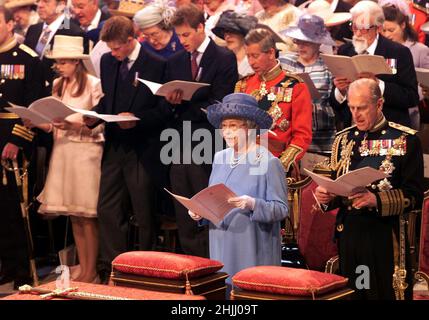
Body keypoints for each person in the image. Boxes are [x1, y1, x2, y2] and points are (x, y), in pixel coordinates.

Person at [314, 78, 424, 300]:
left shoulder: (406, 139)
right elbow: (338, 187)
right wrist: (326, 196)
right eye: (352, 108)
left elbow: (414, 196)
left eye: (362, 108)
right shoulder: (343, 139)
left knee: (380, 294)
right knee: (356, 293)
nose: (356, 114)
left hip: (384, 235)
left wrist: (377, 200)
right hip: (350, 235)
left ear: (379, 104)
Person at [83, 16, 166, 282]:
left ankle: (148, 269)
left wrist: (138, 120)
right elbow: (109, 100)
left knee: (143, 210)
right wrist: (94, 115)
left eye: (117, 47)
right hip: (115, 144)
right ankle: (112, 268)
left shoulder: (156, 64)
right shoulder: (108, 61)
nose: (113, 53)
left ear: (132, 40)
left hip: (142, 147)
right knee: (107, 207)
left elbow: (164, 112)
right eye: (110, 48)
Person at [23, 35, 103, 283]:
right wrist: (39, 123)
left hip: (85, 154)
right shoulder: (58, 84)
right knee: (74, 216)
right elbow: (55, 125)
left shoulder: (93, 84)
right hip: (64, 151)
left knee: (86, 215)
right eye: (58, 63)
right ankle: (83, 264)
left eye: (64, 62)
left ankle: (92, 269)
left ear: (77, 62)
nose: (59, 67)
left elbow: (100, 126)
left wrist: (73, 124)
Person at [188, 92, 289, 289]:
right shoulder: (220, 158)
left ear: (250, 128)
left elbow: (281, 209)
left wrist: (253, 204)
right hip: (220, 240)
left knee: (246, 293)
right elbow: (213, 198)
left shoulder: (268, 162)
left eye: (233, 126)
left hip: (252, 247)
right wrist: (200, 212)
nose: (226, 132)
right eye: (224, 127)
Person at [164, 4, 238, 258]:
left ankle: (212, 266)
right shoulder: (174, 61)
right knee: (184, 207)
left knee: (206, 206)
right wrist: (171, 101)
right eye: (178, 35)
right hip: (179, 138)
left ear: (200, 28)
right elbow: (170, 105)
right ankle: (191, 269)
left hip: (209, 139)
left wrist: (187, 102)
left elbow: (220, 102)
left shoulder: (223, 57)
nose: (181, 40)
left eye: (186, 35)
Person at [0, 5, 46, 287]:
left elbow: (35, 109)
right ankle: (4, 264)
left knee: (13, 210)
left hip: (11, 143)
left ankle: (20, 269)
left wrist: (17, 140)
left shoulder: (27, 59)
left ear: (9, 24)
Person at [330, 0, 419, 129]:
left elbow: (411, 98)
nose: (358, 33)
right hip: (353, 130)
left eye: (364, 28)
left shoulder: (398, 52)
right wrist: (340, 90)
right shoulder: (345, 51)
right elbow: (334, 103)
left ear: (378, 28)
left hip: (388, 130)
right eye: (354, 27)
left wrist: (378, 84)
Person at [235, 28, 312, 174]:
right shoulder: (243, 85)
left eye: (255, 56)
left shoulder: (295, 86)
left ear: (271, 53)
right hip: (243, 163)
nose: (251, 62)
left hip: (276, 165)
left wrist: (280, 165)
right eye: (248, 56)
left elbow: (302, 136)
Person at [280, 14, 337, 158]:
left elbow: (336, 105)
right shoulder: (284, 61)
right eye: (297, 41)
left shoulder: (329, 66)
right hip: (288, 139)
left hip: (321, 141)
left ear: (318, 43)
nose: (300, 45)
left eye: (305, 42)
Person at [382, 4, 429, 129]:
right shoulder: (380, 50)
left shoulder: (420, 50)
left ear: (403, 25)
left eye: (391, 30)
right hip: (383, 110)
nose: (387, 35)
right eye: (383, 30)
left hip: (409, 110)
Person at [24, 0, 87, 88]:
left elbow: (76, 73)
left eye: (46, 1)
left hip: (57, 91)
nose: (40, 5)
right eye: (38, 1)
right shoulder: (33, 29)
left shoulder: (74, 32)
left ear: (61, 5)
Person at [211, 9, 257, 79]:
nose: (227, 36)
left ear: (243, 34)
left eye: (232, 31)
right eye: (225, 32)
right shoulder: (222, 60)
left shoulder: (253, 60)